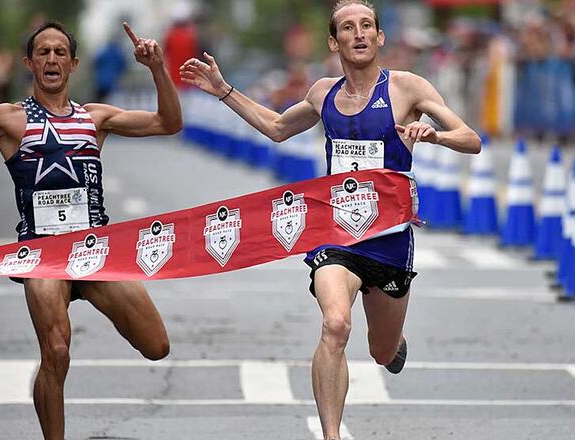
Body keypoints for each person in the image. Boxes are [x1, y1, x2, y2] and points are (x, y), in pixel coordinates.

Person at [180, 1, 480, 439]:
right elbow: (278, 127)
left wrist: (434, 134)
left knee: (380, 352)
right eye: (347, 27)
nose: (358, 34)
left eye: (366, 26)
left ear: (379, 37)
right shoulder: (323, 93)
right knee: (335, 324)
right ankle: (331, 434)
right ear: (333, 41)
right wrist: (225, 90)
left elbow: (470, 139)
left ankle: (392, 344)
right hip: (334, 231)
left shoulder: (407, 88)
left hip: (390, 239)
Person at [0, 21, 181, 440]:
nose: (51, 59)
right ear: (29, 63)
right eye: (43, 53)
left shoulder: (96, 117)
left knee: (156, 345)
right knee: (56, 351)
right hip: (43, 255)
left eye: (59, 52)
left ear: (73, 64)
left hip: (93, 250)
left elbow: (169, 123)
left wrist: (157, 69)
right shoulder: (8, 118)